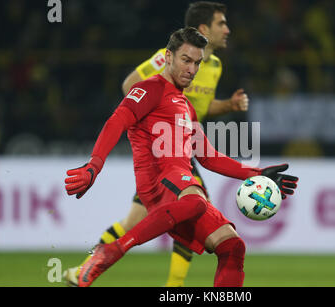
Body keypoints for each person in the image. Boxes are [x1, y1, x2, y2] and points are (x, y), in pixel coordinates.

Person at [64, 27, 298, 287]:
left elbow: (208, 157)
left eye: (197, 63)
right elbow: (115, 122)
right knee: (196, 201)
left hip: (181, 187)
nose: (192, 69)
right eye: (186, 60)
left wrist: (256, 173)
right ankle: (113, 250)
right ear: (168, 57)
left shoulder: (185, 105)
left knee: (232, 246)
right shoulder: (150, 88)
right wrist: (94, 166)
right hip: (158, 182)